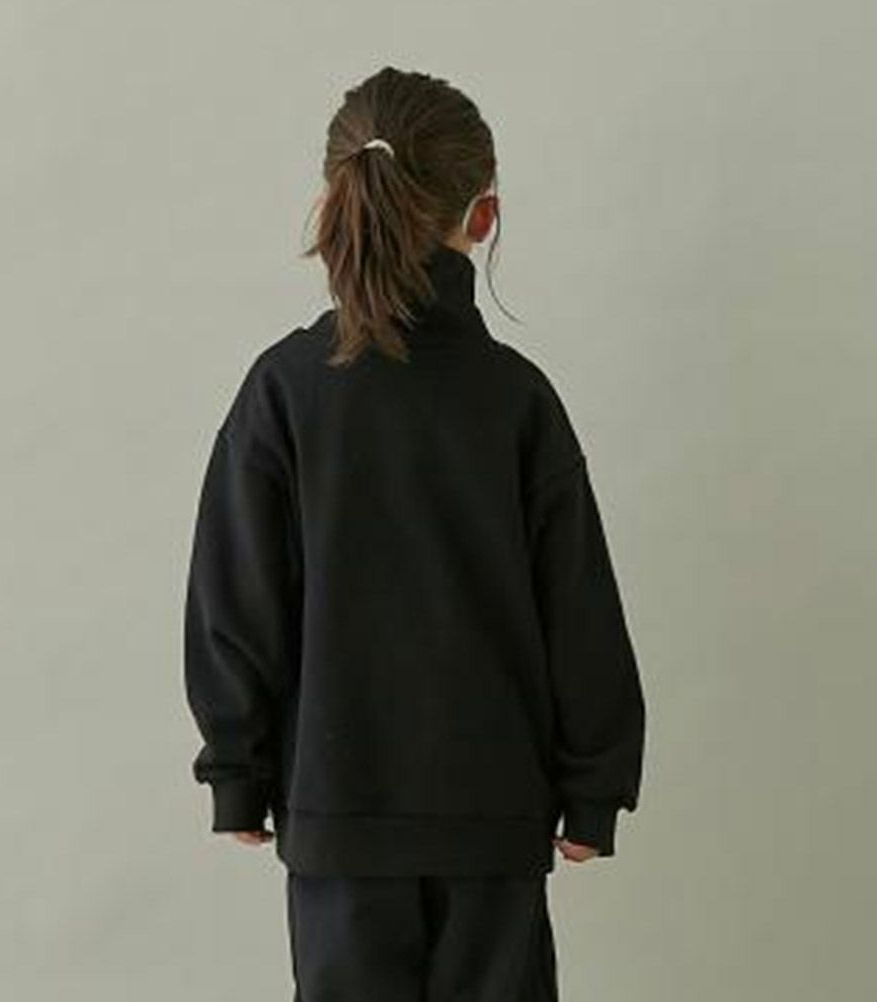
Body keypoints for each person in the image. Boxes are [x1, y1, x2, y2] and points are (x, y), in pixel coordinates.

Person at [183, 65, 647, 1002]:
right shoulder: (517, 400)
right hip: (493, 820)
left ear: (332, 204)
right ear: (484, 217)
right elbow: (579, 608)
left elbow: (235, 595)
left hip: (338, 818)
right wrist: (593, 787)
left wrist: (238, 767)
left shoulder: (284, 391)